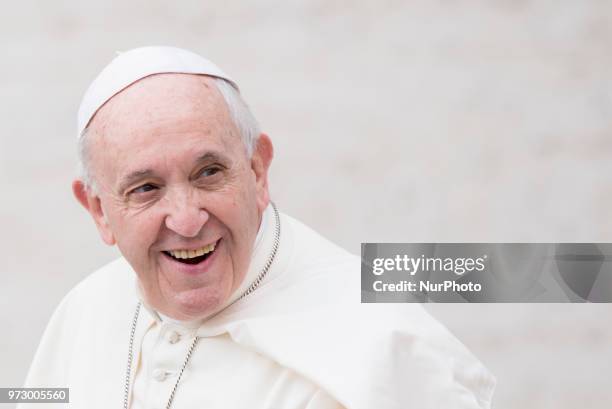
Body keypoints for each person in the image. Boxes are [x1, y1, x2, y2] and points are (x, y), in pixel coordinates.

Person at [20, 46, 495, 409]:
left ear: (258, 171)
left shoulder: (383, 345)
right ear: (99, 210)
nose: (186, 220)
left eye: (209, 173)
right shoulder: (83, 310)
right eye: (146, 188)